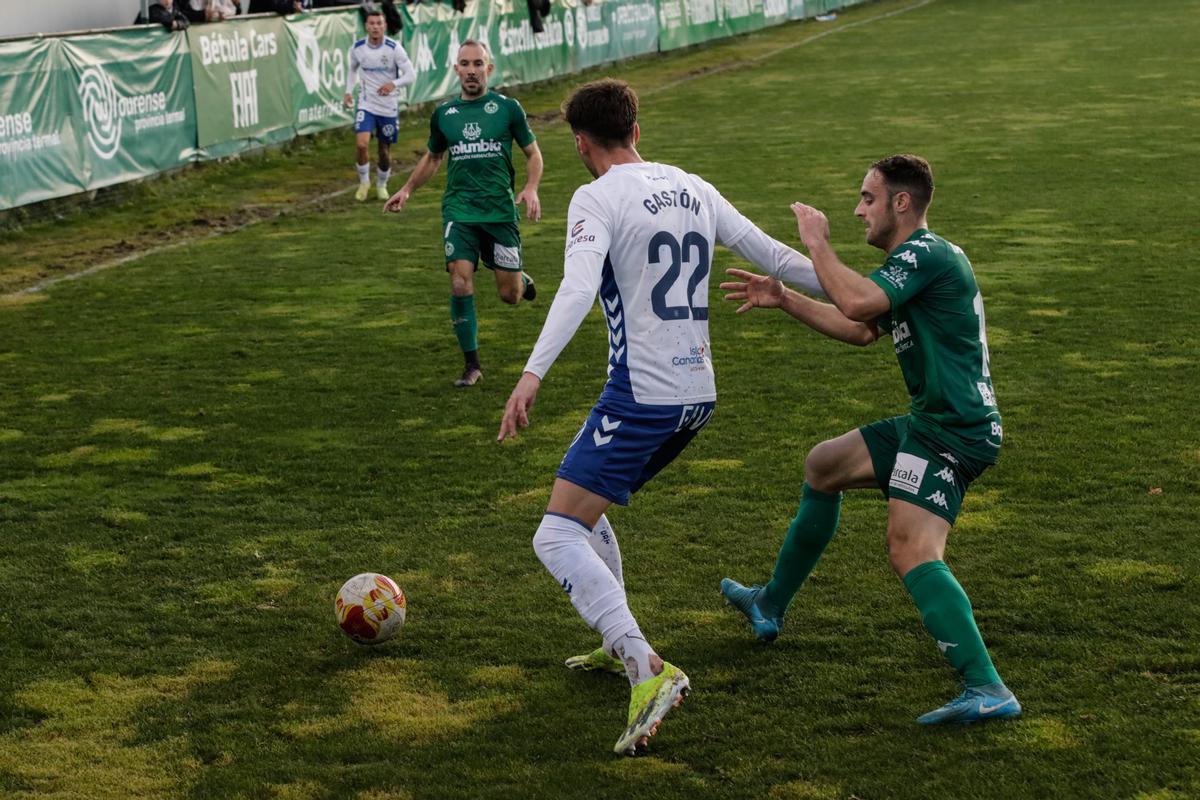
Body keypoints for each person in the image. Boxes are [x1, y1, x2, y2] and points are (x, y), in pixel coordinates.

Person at [496, 78, 827, 756]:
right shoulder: (693, 186)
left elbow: (579, 286)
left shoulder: (595, 195)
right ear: (637, 131)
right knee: (584, 504)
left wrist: (531, 374)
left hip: (642, 398)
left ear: (582, 145)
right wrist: (867, 290)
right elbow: (776, 258)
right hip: (697, 396)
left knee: (555, 536)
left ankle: (645, 666)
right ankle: (616, 645)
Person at [718, 154, 1021, 725]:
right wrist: (785, 299)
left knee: (911, 549)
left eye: (867, 198)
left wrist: (815, 243)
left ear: (899, 203)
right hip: (930, 421)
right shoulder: (919, 262)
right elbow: (861, 329)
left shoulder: (923, 253)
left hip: (953, 432)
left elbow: (856, 303)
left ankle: (987, 687)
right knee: (824, 465)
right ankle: (769, 603)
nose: (859, 211)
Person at [385, 40, 543, 388]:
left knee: (510, 295)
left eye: (477, 64)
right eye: (464, 64)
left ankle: (520, 278)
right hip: (460, 210)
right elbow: (433, 157)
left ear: (489, 68)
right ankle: (471, 365)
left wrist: (530, 188)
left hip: (499, 212)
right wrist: (407, 188)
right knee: (459, 281)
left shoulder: (508, 109)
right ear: (456, 69)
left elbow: (533, 154)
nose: (471, 70)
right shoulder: (445, 115)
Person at [343, 7, 416, 202]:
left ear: (384, 26)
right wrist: (349, 91)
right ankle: (364, 182)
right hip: (366, 104)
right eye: (372, 24)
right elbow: (352, 70)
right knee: (361, 144)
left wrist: (394, 83)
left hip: (388, 107)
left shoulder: (394, 48)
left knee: (384, 151)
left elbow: (411, 75)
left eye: (379, 24)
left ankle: (382, 184)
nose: (375, 27)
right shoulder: (357, 48)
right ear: (366, 26)